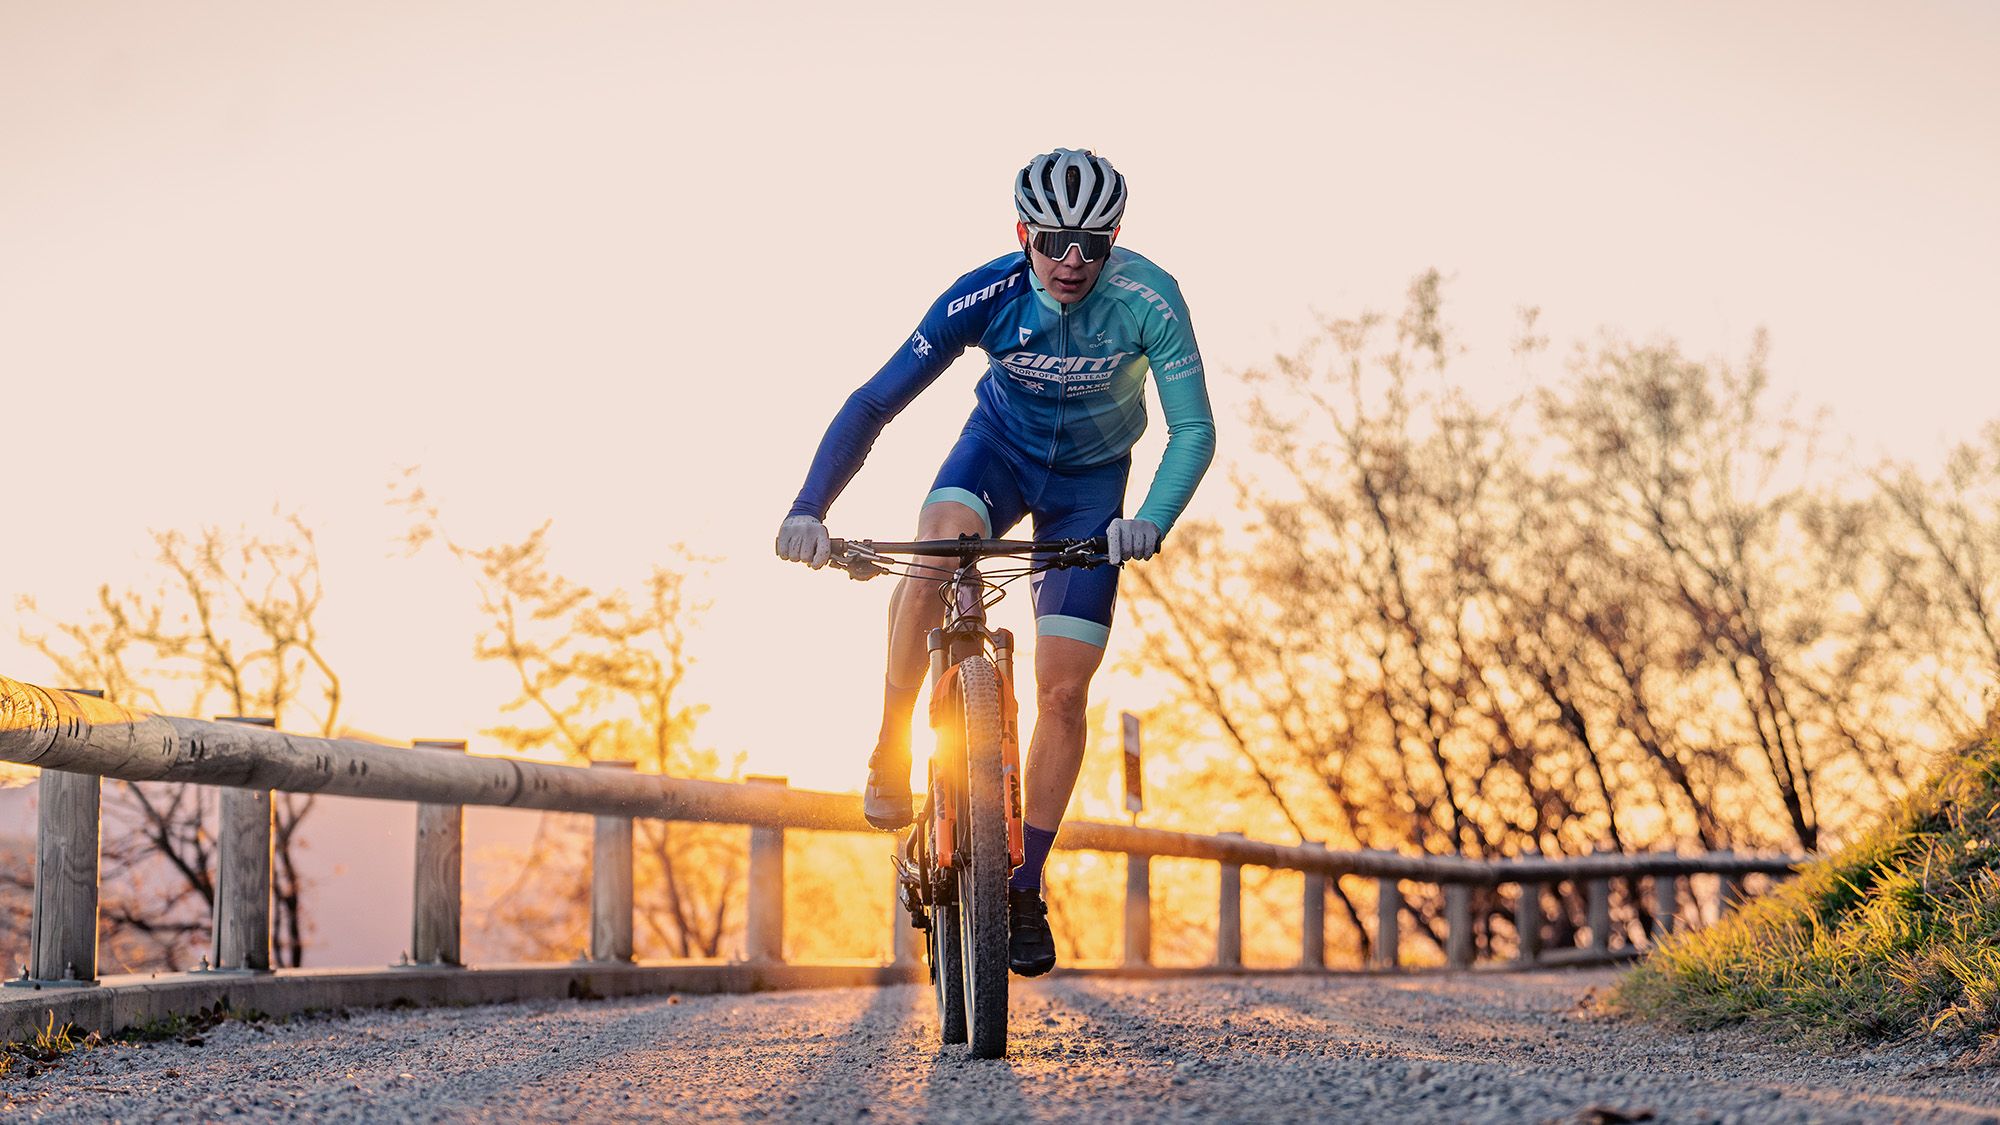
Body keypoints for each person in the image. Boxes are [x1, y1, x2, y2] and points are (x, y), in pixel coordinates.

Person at [775, 148, 1215, 976]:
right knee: (934, 544)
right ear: (1023, 234)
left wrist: (1148, 521)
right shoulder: (986, 293)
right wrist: (810, 507)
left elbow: (1193, 428)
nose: (1072, 261)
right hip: (996, 458)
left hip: (1091, 492)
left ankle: (1022, 884)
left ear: (1115, 238)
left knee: (1063, 686)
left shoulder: (1151, 299)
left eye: (1092, 243)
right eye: (1053, 241)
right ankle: (890, 746)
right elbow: (875, 401)